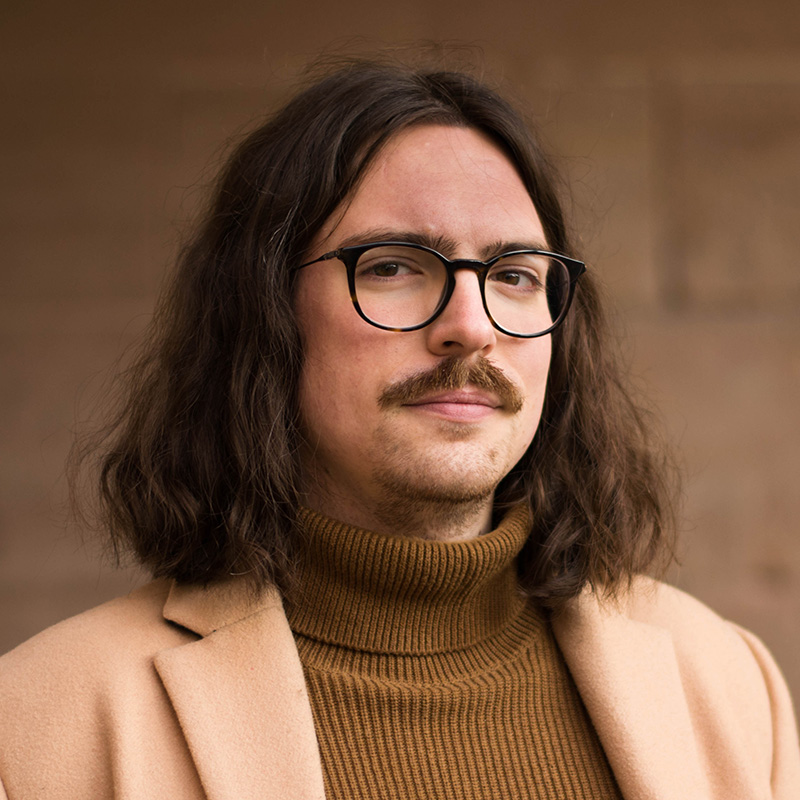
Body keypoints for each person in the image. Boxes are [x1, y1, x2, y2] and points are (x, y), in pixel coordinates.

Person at [1, 58, 798, 800]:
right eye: (392, 265)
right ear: (262, 313)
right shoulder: (34, 734)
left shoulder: (729, 687)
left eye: (514, 275)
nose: (471, 326)